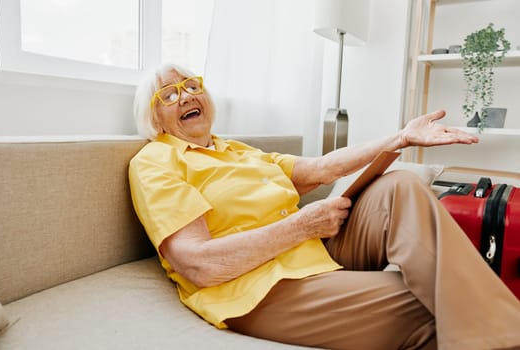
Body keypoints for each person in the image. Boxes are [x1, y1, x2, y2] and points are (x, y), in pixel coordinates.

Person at [128, 63, 520, 350]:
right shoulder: (156, 162)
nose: (186, 96)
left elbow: (321, 169)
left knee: (398, 185)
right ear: (153, 116)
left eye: (191, 85)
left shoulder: (234, 150)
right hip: (257, 288)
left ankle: (496, 327)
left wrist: (400, 138)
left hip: (314, 253)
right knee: (442, 307)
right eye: (169, 94)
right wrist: (301, 226)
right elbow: (201, 265)